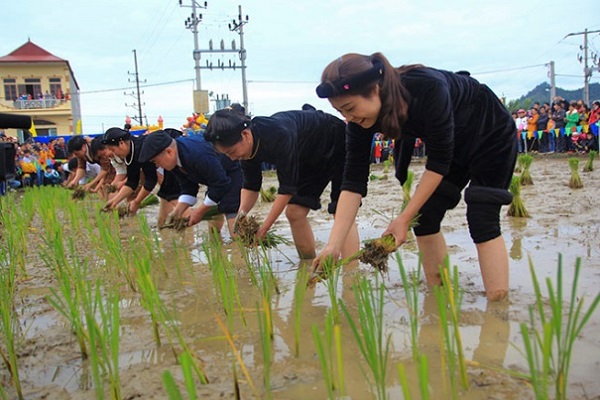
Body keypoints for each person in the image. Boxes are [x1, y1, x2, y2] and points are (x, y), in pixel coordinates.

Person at [313, 52, 517, 301]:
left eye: (350, 108)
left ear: (375, 89)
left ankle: (498, 308)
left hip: (489, 131)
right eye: (340, 112)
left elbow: (439, 162)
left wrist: (403, 218)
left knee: (482, 216)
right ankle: (439, 298)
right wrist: (333, 246)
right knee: (426, 217)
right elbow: (352, 182)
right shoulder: (358, 123)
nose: (348, 118)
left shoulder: (427, 86)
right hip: (450, 144)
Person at [204, 107, 359, 260]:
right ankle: (307, 265)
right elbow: (251, 186)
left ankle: (351, 274)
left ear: (245, 135)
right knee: (294, 213)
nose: (232, 158)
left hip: (335, 139)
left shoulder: (277, 133)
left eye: (231, 152)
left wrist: (264, 229)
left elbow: (286, 190)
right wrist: (241, 214)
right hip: (306, 158)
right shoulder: (247, 150)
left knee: (341, 210)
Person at [138, 129, 242, 238]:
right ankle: (217, 244)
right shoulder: (175, 160)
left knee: (230, 212)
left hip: (232, 172)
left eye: (156, 161)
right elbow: (188, 187)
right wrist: (177, 211)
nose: (157, 166)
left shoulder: (196, 155)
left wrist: (200, 211)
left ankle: (240, 248)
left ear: (169, 152)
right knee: (214, 220)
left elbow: (221, 184)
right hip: (216, 178)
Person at [102, 127, 159, 214]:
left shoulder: (141, 149)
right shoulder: (130, 153)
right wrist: (114, 201)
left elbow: (151, 180)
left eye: (113, 150)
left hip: (175, 162)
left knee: (169, 194)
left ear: (121, 143)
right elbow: (132, 182)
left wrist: (136, 202)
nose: (114, 154)